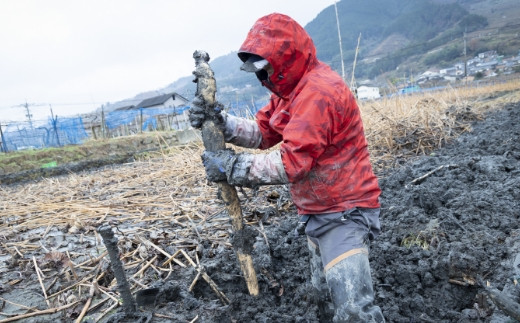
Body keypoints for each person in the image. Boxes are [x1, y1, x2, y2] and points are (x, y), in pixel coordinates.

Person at [189, 13, 385, 323]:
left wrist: (233, 167)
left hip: (345, 211)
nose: (263, 77)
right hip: (317, 211)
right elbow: (264, 132)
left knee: (353, 310)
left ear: (285, 59)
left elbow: (293, 163)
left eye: (265, 68)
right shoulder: (290, 92)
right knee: (324, 301)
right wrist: (220, 123)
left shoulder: (318, 93)